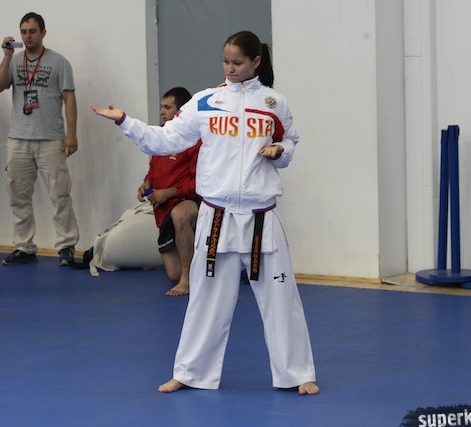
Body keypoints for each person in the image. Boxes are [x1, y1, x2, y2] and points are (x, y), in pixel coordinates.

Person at [91, 31, 319, 395]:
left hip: (261, 216)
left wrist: (280, 151)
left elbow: (289, 142)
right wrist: (125, 121)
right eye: (225, 61)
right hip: (217, 216)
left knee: (281, 298)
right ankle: (190, 372)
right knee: (205, 298)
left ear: (256, 62)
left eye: (238, 62)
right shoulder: (205, 102)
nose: (230, 68)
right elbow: (165, 139)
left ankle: (297, 374)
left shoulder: (274, 103)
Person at [0, 12, 80, 266]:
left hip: (51, 138)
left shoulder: (59, 62)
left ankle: (66, 246)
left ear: (43, 32)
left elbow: (69, 99)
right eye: (24, 32)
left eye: (32, 31)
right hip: (19, 138)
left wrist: (71, 134)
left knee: (60, 195)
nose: (28, 36)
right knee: (18, 196)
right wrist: (6, 56)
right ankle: (24, 246)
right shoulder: (14, 60)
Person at [139, 87, 201, 296]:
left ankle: (188, 279)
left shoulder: (194, 139)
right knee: (173, 274)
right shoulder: (161, 135)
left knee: (180, 214)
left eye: (167, 107)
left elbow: (200, 182)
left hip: (190, 201)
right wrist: (146, 183)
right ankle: (185, 274)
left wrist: (169, 192)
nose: (161, 112)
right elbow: (153, 168)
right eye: (161, 107)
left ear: (181, 111)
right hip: (164, 207)